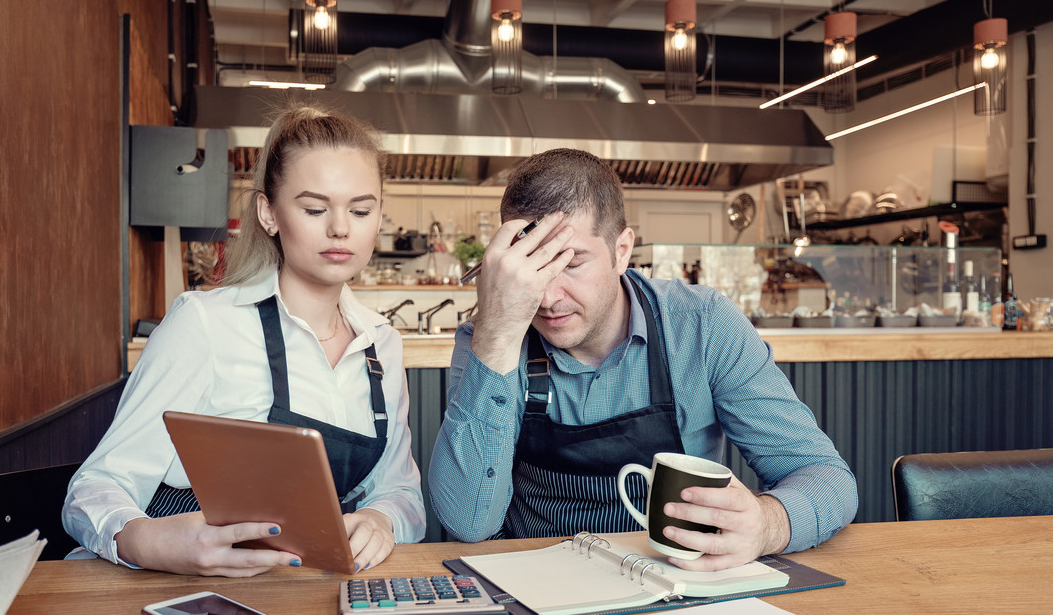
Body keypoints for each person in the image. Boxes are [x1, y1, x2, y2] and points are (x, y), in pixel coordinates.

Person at [428, 148, 857, 572]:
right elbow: (468, 521)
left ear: (621, 250)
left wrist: (767, 525)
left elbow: (824, 475)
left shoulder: (701, 324)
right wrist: (498, 334)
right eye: (531, 267)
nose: (548, 296)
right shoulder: (489, 338)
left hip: (675, 582)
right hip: (535, 583)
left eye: (572, 263)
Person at [63, 105, 425, 577]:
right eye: (315, 209)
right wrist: (151, 542)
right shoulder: (205, 324)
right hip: (188, 589)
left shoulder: (381, 344)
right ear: (269, 213)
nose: (341, 228)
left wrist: (382, 518)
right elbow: (94, 487)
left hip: (308, 589)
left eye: (361, 209)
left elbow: (401, 493)